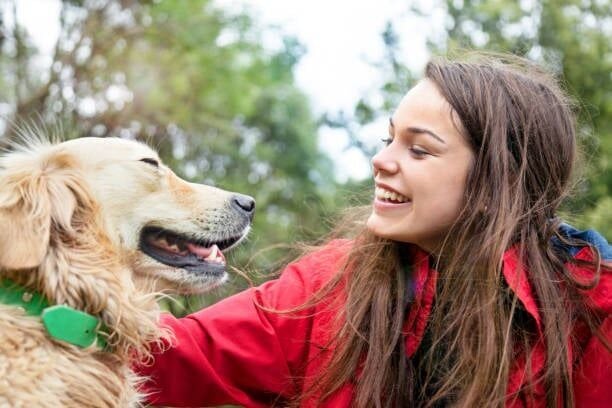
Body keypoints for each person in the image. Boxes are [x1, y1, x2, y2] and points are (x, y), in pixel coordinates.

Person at [136, 54, 612, 407]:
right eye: (389, 138)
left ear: (497, 180)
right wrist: (70, 296)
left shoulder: (591, 308)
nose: (381, 161)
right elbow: (169, 359)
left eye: (419, 150)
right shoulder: (330, 285)